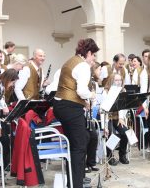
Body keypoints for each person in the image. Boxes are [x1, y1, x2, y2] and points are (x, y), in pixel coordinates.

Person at [53, 38, 99, 188]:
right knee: (79, 147)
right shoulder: (83, 66)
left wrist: (83, 101)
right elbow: (81, 90)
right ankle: (76, 184)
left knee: (80, 140)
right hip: (70, 108)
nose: (94, 59)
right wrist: (92, 95)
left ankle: (72, 182)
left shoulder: (70, 61)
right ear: (89, 52)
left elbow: (70, 87)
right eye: (94, 56)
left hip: (61, 105)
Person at [102, 73, 130, 165]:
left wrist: (121, 118)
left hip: (118, 118)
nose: (118, 82)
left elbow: (123, 107)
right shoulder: (106, 91)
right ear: (111, 81)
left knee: (125, 132)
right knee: (111, 134)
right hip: (108, 118)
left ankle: (122, 155)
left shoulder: (123, 90)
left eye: (120, 80)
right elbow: (103, 110)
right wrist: (105, 126)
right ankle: (110, 156)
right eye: (116, 80)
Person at [85, 62, 101, 173]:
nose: (100, 72)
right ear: (93, 70)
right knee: (86, 138)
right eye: (99, 69)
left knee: (94, 137)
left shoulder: (94, 83)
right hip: (82, 112)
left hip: (90, 114)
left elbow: (95, 99)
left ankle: (91, 163)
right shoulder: (86, 81)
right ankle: (84, 164)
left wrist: (94, 104)